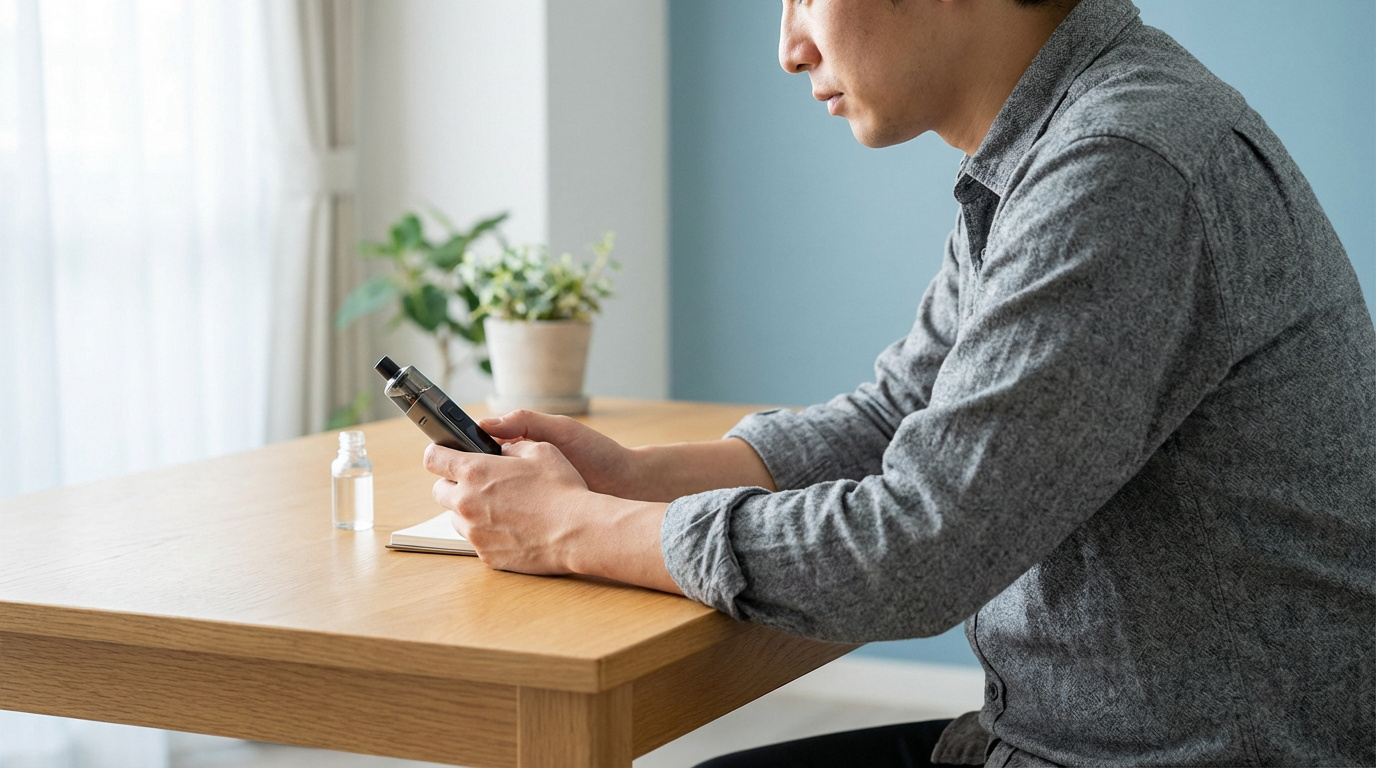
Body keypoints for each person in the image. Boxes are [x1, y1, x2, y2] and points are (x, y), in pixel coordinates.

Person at [422, 0, 1376, 765]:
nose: (789, 47)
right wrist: (631, 477)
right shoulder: (1056, 148)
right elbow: (896, 415)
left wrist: (578, 530)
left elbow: (916, 549)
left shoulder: (1122, 166)